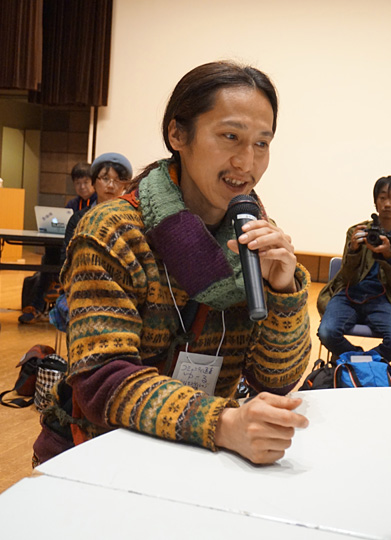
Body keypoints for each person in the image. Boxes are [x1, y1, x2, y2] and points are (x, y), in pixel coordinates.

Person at [34, 61, 311, 466]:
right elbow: (102, 380)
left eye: (262, 143)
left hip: (199, 456)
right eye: (230, 136)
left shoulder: (254, 240)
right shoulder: (113, 232)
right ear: (177, 134)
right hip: (98, 455)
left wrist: (283, 292)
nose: (246, 163)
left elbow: (277, 380)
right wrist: (221, 422)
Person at [317, 175, 391, 362]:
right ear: (375, 202)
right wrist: (354, 250)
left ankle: (355, 362)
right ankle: (362, 361)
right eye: (383, 198)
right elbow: (347, 278)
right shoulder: (358, 231)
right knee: (327, 332)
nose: (388, 204)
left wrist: (388, 256)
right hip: (350, 293)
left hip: (386, 298)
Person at [50, 152, 133, 332]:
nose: (111, 185)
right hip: (81, 288)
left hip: (120, 292)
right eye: (105, 178)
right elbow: (65, 260)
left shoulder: (130, 221)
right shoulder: (78, 218)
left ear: (125, 186)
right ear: (94, 183)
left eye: (118, 180)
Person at [19, 162, 95, 324]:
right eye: (78, 183)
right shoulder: (72, 204)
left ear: (93, 182)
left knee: (51, 260)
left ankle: (49, 292)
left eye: (86, 182)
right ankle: (39, 303)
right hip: (65, 246)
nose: (82, 187)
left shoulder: (98, 202)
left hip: (83, 250)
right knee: (48, 257)